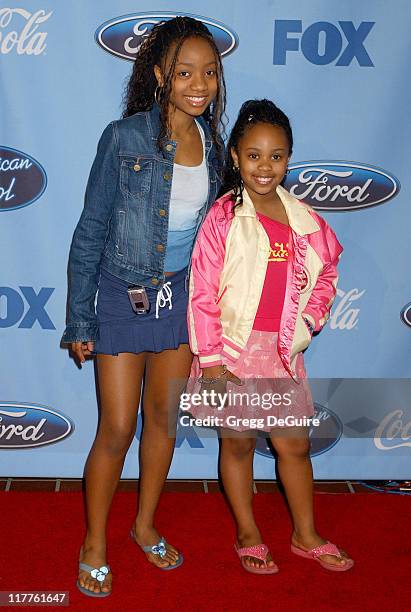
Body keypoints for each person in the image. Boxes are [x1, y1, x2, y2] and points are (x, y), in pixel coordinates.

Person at [61, 16, 226, 597]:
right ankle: (94, 543)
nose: (198, 83)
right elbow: (90, 229)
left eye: (208, 71)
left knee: (164, 422)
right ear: (160, 75)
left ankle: (144, 525)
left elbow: (216, 239)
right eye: (184, 72)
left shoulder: (215, 142)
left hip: (180, 298)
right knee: (116, 427)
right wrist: (80, 317)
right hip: (121, 293)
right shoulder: (123, 137)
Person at [186, 99, 354, 574]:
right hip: (231, 354)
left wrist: (308, 323)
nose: (265, 166)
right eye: (254, 155)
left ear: (288, 159)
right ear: (236, 157)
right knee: (236, 444)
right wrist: (212, 359)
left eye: (276, 156)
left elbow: (328, 273)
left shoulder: (305, 220)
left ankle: (306, 533)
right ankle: (248, 531)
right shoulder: (223, 217)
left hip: (281, 354)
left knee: (293, 446)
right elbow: (201, 291)